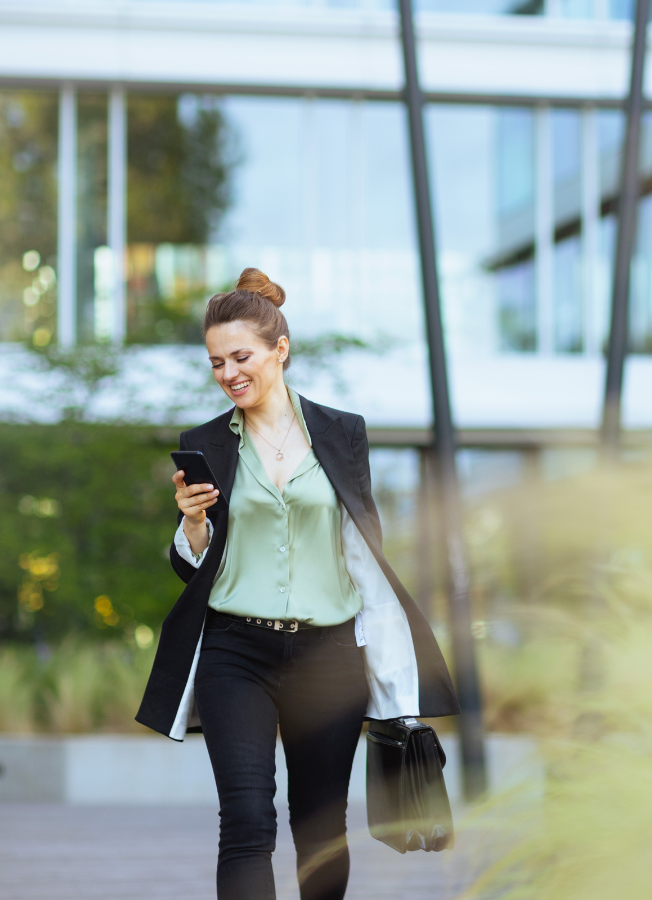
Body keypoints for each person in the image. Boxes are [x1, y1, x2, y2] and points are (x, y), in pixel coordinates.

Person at [136, 268, 459, 900]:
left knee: (320, 829)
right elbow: (194, 564)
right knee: (247, 823)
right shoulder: (206, 443)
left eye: (241, 357)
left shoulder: (342, 433)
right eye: (215, 363)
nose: (228, 373)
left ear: (279, 350)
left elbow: (365, 540)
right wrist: (193, 521)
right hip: (236, 652)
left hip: (328, 655)